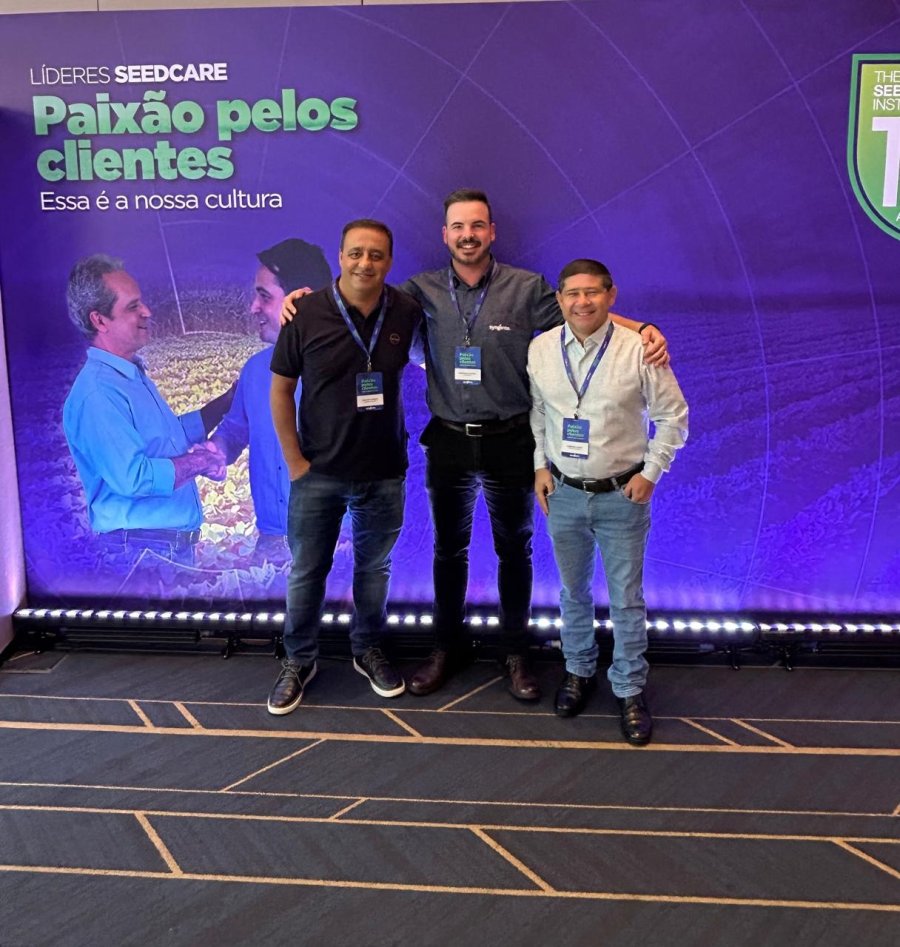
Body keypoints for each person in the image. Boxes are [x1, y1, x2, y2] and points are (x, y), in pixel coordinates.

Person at [281, 190, 668, 702]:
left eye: (477, 226)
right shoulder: (417, 293)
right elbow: (360, 296)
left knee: (515, 551)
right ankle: (446, 649)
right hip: (449, 441)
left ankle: (515, 654)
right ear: (445, 235)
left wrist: (642, 327)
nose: (468, 235)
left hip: (511, 439)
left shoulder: (526, 288)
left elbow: (583, 313)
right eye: (459, 227)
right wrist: (302, 301)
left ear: (491, 233)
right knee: (448, 551)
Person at [527, 259, 688, 745]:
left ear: (611, 296)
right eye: (572, 294)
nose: (583, 302)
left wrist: (651, 473)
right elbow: (540, 412)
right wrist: (540, 466)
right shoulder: (540, 349)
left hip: (622, 495)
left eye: (592, 292)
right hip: (564, 493)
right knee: (572, 592)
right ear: (560, 299)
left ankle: (629, 688)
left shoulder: (639, 349)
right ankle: (578, 671)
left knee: (626, 599)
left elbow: (674, 416)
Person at [266, 219, 422, 715]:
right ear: (340, 256)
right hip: (318, 474)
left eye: (376, 255)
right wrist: (295, 462)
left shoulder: (406, 311)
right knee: (307, 571)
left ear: (389, 262)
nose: (365, 263)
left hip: (384, 472)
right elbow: (281, 390)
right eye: (356, 253)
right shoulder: (305, 312)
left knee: (374, 570)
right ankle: (299, 659)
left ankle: (367, 649)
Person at [63, 254, 233, 566]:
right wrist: (201, 461)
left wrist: (226, 402)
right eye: (132, 307)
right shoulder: (99, 392)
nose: (147, 311)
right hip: (141, 555)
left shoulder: (128, 375)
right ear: (99, 320)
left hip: (157, 550)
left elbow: (166, 439)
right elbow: (135, 478)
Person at [211, 238, 332, 562]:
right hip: (270, 544)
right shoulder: (254, 371)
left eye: (264, 296)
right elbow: (235, 430)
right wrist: (216, 450)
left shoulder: (358, 370)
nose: (253, 307)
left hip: (337, 543)